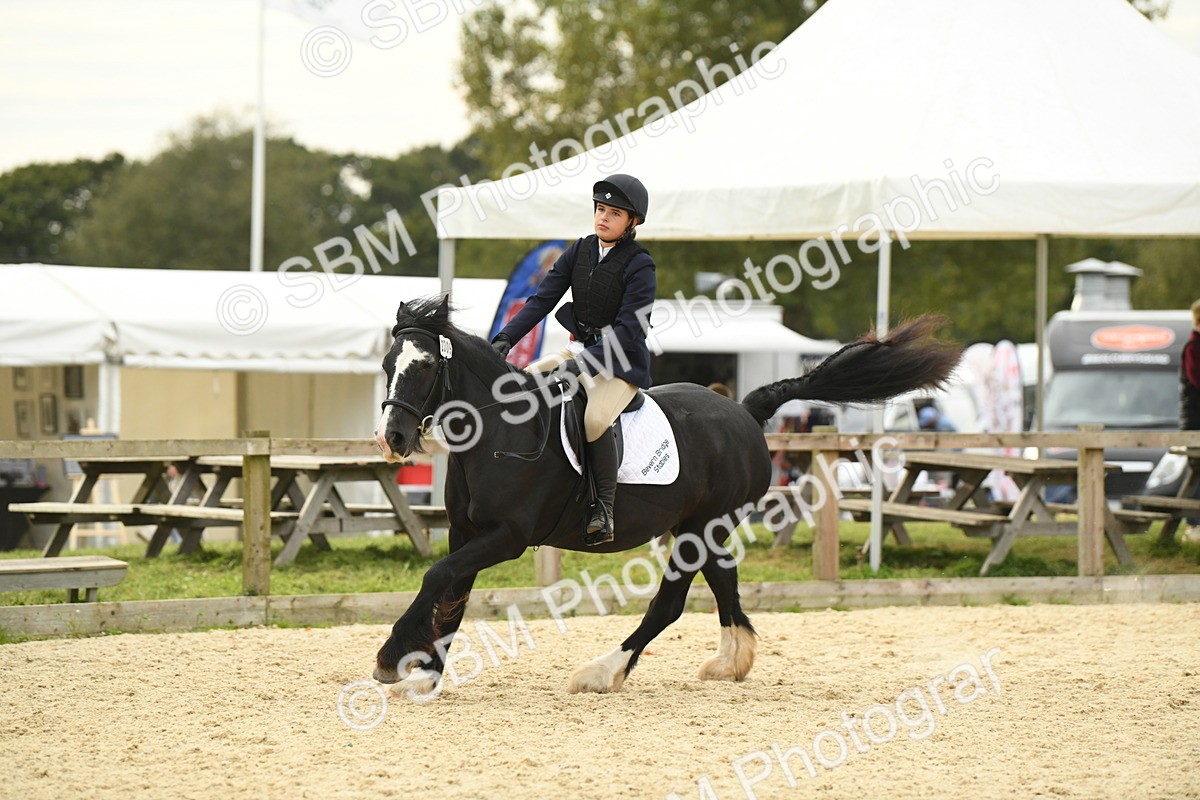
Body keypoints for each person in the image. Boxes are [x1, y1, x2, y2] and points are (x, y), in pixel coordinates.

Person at [490, 174, 655, 546]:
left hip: (618, 362)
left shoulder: (640, 265)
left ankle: (604, 509)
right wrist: (505, 338)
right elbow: (541, 300)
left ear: (633, 222)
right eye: (600, 209)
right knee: (524, 383)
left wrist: (582, 365)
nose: (603, 218)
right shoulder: (579, 251)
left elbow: (631, 330)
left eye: (614, 213)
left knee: (595, 419)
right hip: (576, 349)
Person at [1181, 299, 1200, 542]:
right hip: (1196, 421)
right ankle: (1193, 522)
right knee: (1197, 471)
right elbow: (1197, 380)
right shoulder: (1193, 347)